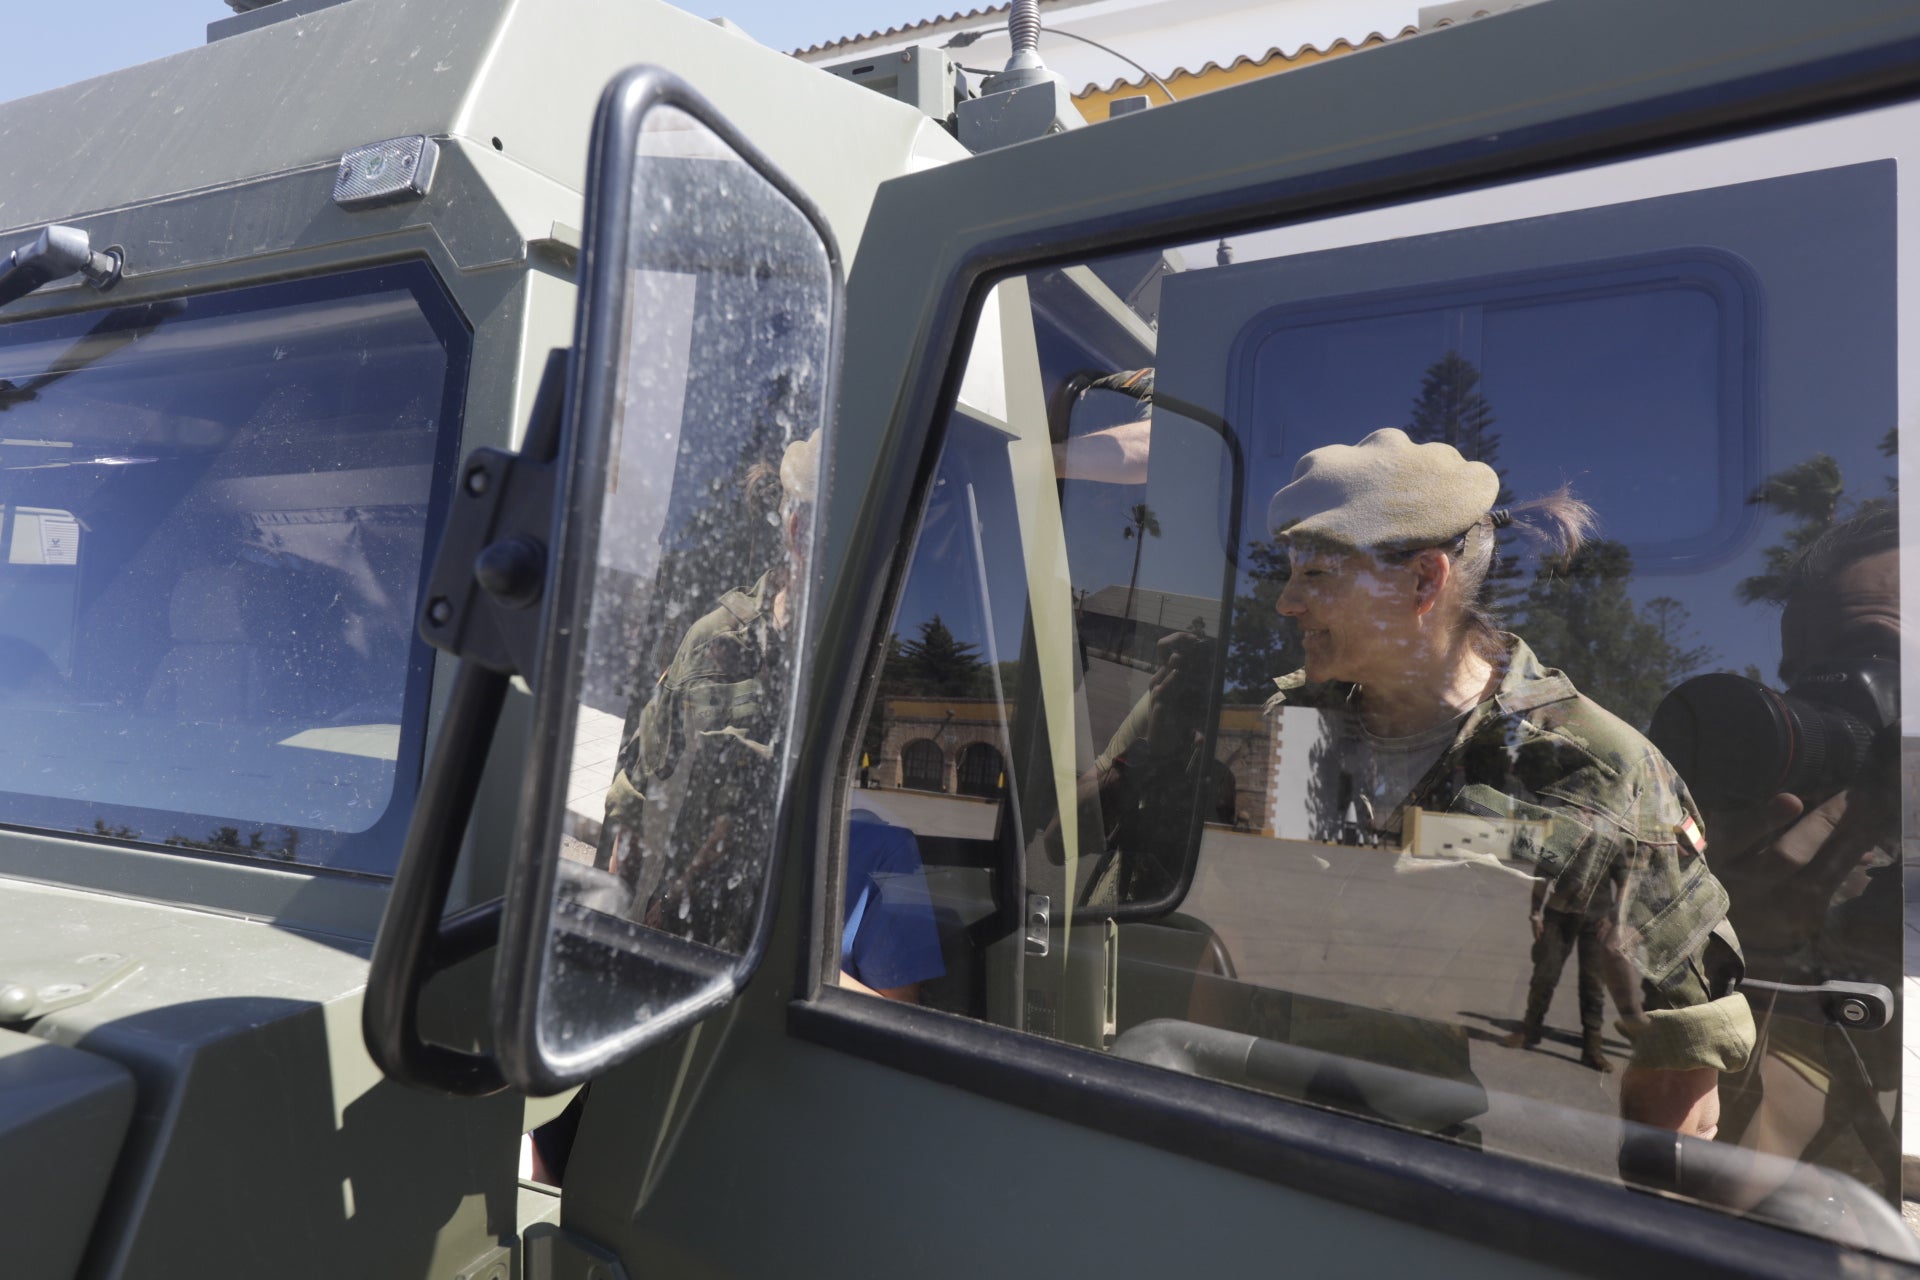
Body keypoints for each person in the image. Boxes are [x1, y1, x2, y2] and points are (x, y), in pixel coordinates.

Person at [1257, 427, 1753, 1137]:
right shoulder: (1300, 725)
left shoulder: (1594, 769)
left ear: (1426, 580)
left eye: (1317, 575)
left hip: (1487, 1189)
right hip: (1272, 1144)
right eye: (1292, 570)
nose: (1286, 602)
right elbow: (1244, 942)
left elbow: (1676, 1088)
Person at [1701, 506, 1901, 1198]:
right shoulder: (1828, 876)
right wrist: (1744, 949)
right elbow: (1734, 1182)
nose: (1841, 702)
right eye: (1809, 677)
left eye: (1877, 656)